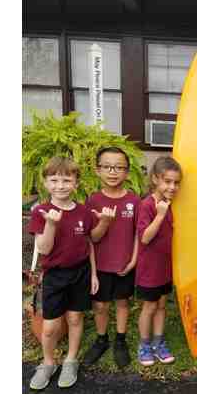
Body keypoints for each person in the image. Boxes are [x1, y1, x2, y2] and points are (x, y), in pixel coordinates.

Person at [28, 157, 99, 390]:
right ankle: (48, 362)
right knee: (50, 327)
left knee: (75, 318)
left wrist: (93, 274)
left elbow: (89, 244)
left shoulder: (84, 212)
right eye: (54, 180)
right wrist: (51, 224)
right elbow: (44, 249)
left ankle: (70, 360)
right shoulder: (41, 212)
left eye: (67, 180)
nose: (60, 185)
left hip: (80, 273)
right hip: (55, 276)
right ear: (45, 183)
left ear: (76, 183)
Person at [82, 147, 140, 369]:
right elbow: (93, 238)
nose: (113, 172)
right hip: (101, 265)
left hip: (125, 264)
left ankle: (120, 340)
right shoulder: (93, 201)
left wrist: (133, 260)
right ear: (98, 170)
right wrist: (105, 222)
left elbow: (137, 234)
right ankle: (101, 339)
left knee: (123, 302)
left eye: (119, 167)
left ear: (127, 171)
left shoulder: (134, 201)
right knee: (100, 306)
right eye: (107, 167)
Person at [135, 156, 182, 366]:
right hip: (149, 270)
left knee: (162, 306)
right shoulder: (147, 205)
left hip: (165, 268)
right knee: (150, 307)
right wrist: (160, 215)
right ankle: (144, 345)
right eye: (167, 181)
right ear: (155, 179)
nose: (172, 187)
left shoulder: (170, 204)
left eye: (176, 182)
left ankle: (158, 342)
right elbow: (145, 238)